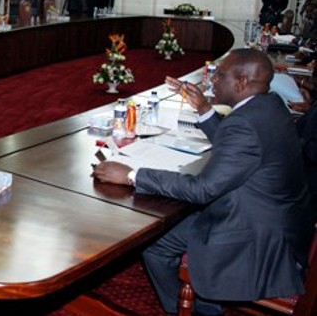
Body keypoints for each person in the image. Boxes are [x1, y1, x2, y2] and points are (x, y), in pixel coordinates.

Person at [93, 49, 312, 315]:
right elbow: (239, 147)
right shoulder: (270, 105)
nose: (211, 81)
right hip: (278, 221)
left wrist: (131, 175)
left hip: (259, 240)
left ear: (241, 82)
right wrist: (205, 109)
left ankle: (187, 310)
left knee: (155, 242)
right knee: (174, 223)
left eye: (219, 75)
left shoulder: (244, 123)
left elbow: (203, 189)